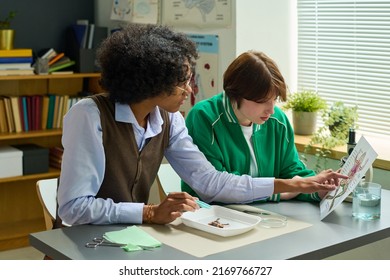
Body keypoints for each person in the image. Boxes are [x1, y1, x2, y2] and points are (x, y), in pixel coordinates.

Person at [57, 24, 347, 226]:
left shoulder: (170, 121)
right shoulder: (89, 115)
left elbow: (210, 182)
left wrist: (291, 183)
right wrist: (147, 212)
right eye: (182, 80)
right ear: (153, 81)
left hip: (133, 239)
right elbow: (73, 209)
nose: (190, 90)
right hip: (84, 246)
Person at [183, 50, 336, 203]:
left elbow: (291, 172)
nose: (271, 109)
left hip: (267, 217)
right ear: (235, 94)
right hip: (216, 218)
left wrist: (319, 190)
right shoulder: (204, 118)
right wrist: (278, 193)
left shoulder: (277, 120)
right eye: (262, 101)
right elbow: (218, 187)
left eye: (274, 99)